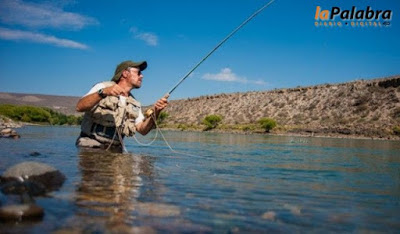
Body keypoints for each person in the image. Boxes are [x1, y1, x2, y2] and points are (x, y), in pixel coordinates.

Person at [75, 60, 168, 151]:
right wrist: (103, 92)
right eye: (138, 73)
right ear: (125, 73)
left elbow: (143, 130)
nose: (142, 76)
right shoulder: (102, 87)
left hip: (116, 149)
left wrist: (156, 112)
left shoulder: (135, 103)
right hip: (90, 145)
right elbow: (79, 107)